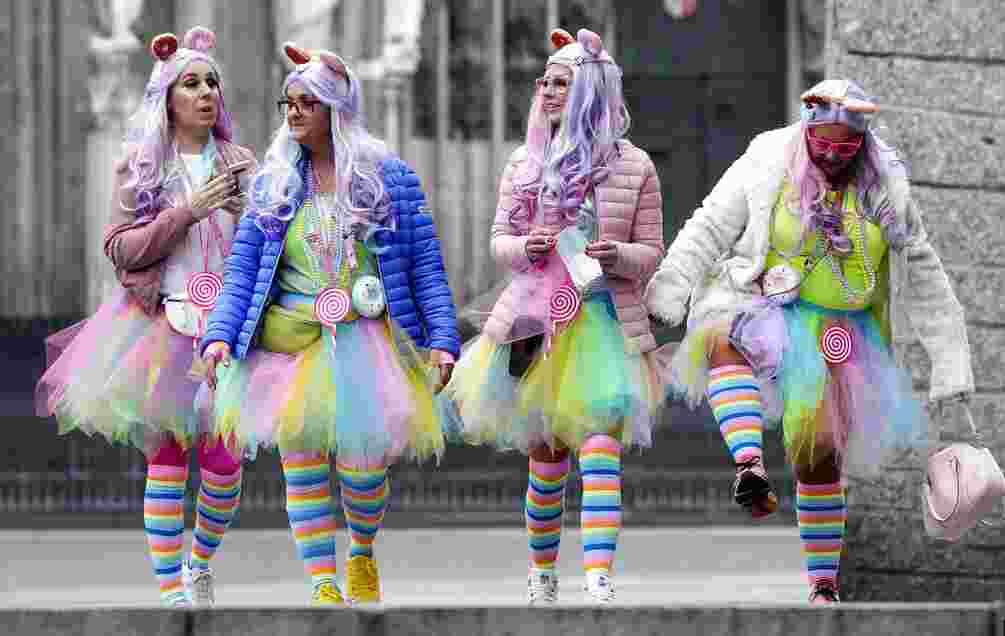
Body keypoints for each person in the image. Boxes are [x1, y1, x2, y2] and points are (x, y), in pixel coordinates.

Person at [644, 79, 973, 604]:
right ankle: (748, 466)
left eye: (846, 147)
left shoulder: (887, 185)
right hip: (768, 310)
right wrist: (672, 285)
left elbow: (926, 273)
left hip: (844, 336)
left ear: (862, 143)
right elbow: (709, 225)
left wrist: (951, 365)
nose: (832, 155)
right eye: (824, 143)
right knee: (720, 337)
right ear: (808, 128)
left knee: (819, 459)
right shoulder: (768, 157)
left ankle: (824, 586)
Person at [197, 43, 460, 606]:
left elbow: (426, 267)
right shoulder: (273, 184)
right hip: (291, 341)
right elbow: (243, 269)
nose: (292, 114)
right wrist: (219, 334)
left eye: (306, 103)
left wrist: (442, 339)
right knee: (301, 459)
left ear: (336, 109)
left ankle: (361, 551)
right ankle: (322, 581)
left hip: (366, 341)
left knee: (363, 469)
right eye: (287, 103)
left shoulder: (388, 178)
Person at [441, 28, 668, 605]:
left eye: (560, 83)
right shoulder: (525, 161)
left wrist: (620, 257)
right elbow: (499, 241)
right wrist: (528, 247)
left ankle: (597, 577)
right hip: (534, 323)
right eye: (544, 81)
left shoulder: (635, 165)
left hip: (603, 323)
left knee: (600, 452)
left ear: (591, 90)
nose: (545, 91)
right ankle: (542, 577)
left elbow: (652, 251)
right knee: (546, 462)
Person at [36, 27, 257, 607]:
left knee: (226, 467)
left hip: (229, 330)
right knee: (168, 457)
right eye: (192, 84)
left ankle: (199, 562)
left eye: (212, 83)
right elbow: (120, 250)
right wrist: (188, 211)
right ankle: (170, 595)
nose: (207, 93)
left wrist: (253, 212)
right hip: (161, 327)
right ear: (168, 98)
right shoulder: (140, 164)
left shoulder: (242, 162)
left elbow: (271, 245)